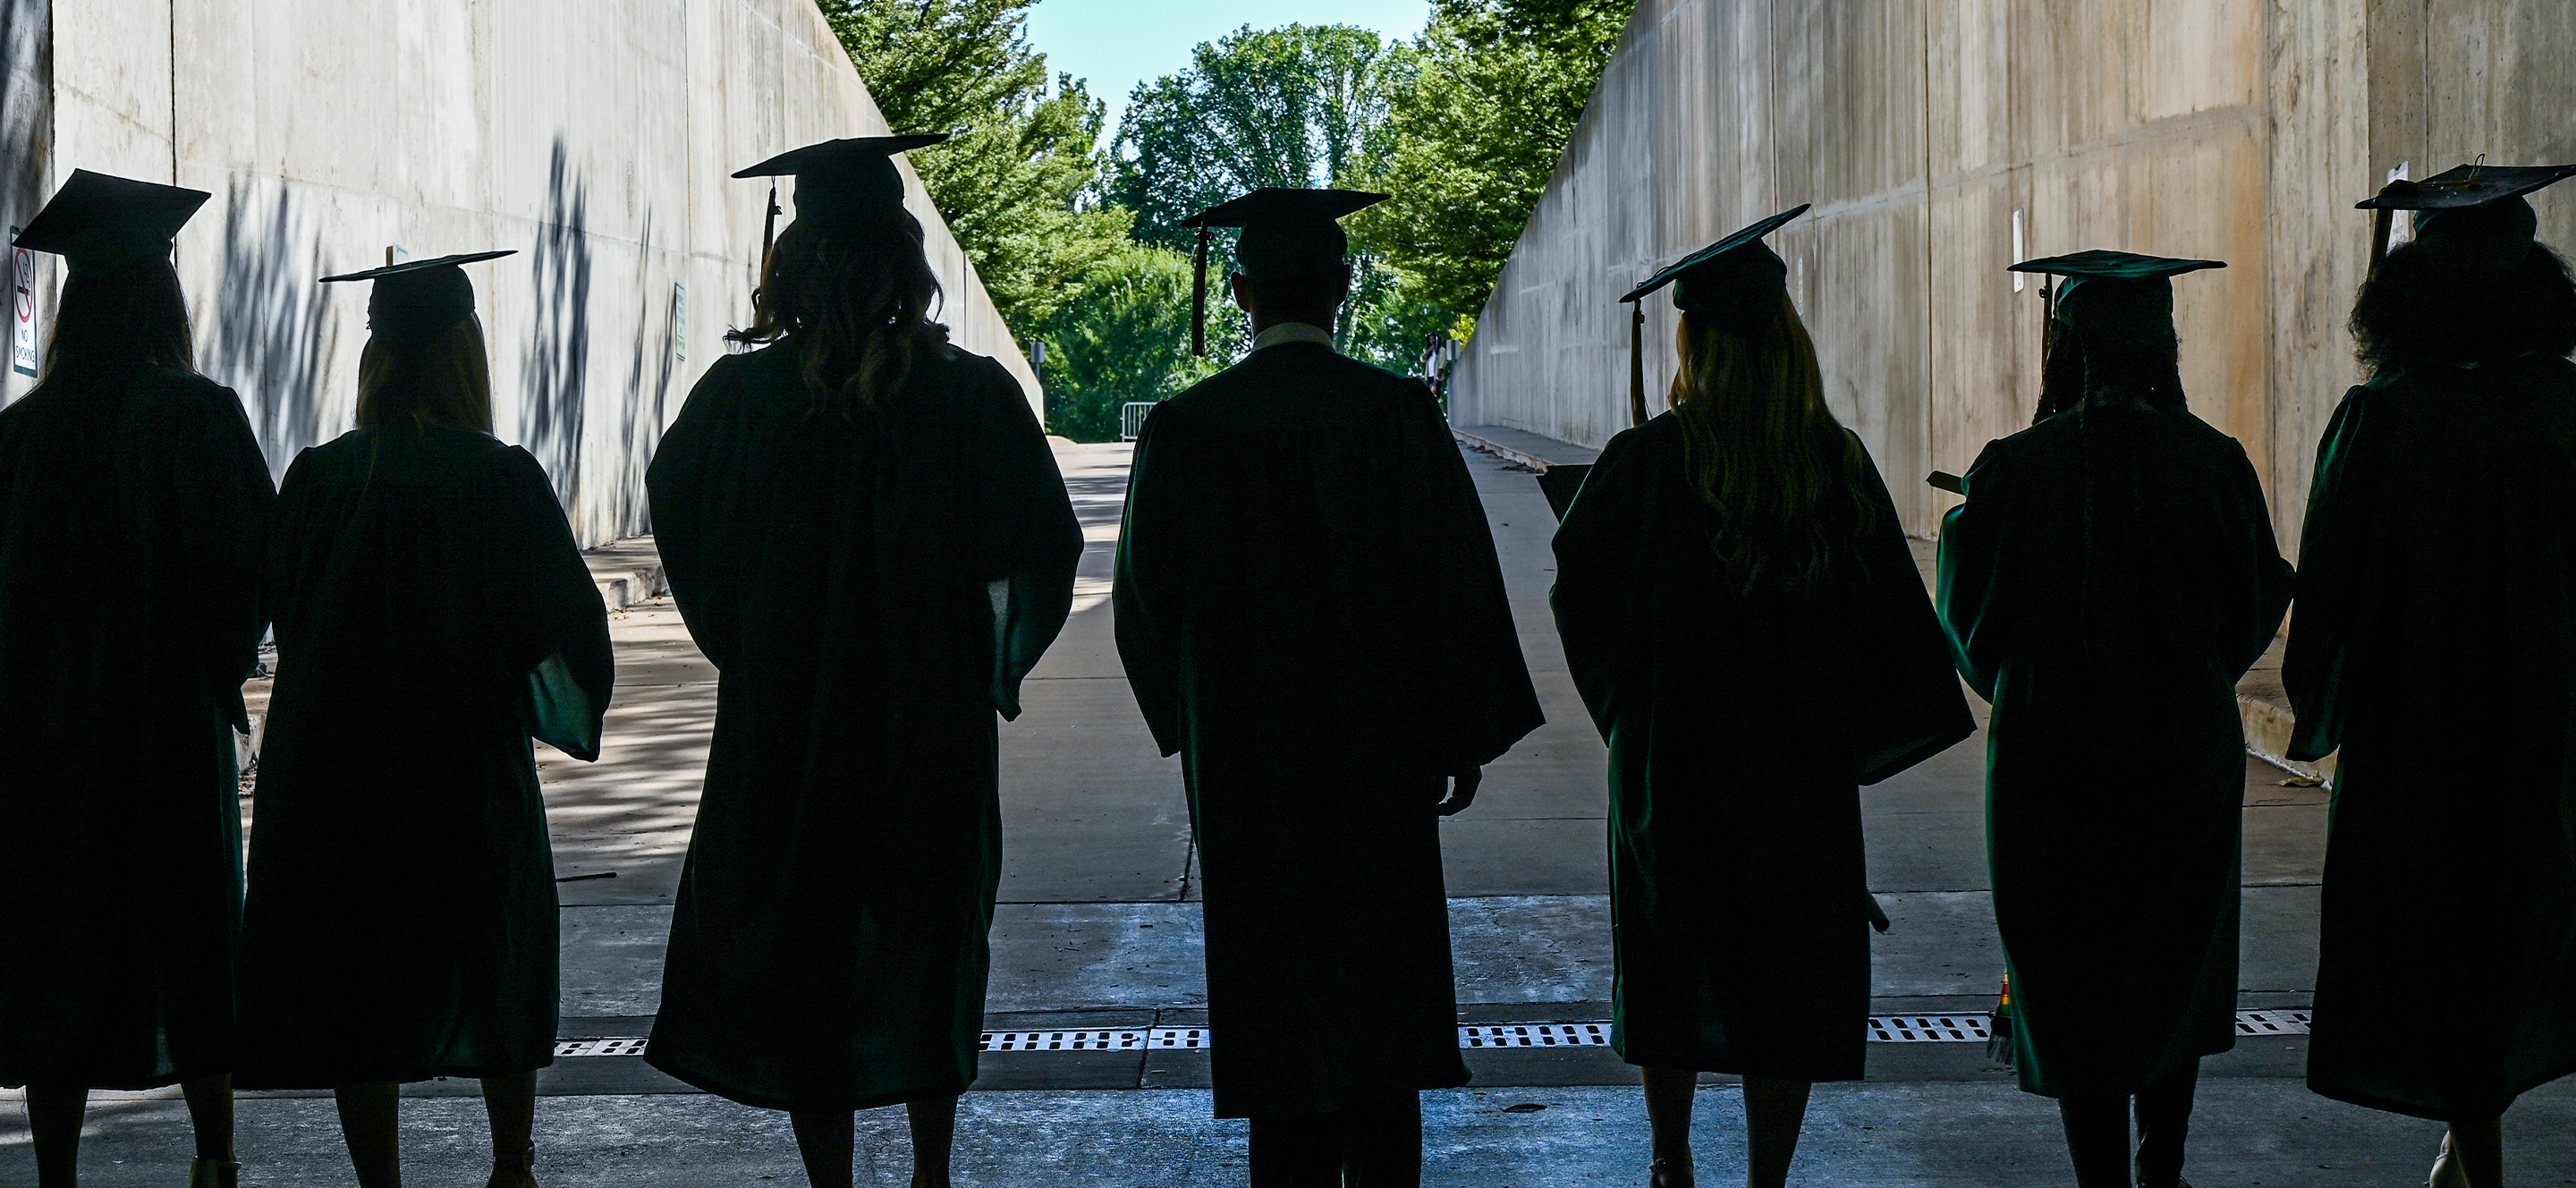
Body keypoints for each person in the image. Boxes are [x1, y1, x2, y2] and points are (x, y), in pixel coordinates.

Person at [642, 133, 1081, 1188]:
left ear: (793, 261)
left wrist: (746, 644)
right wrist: (992, 662)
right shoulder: (971, 394)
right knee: (929, 938)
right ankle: (932, 1174)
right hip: (929, 725)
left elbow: (686, 531)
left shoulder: (735, 402)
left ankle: (831, 1182)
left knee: (804, 944)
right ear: (905, 258)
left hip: (785, 723)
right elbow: (1043, 551)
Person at [1114, 186, 1545, 1187]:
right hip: (1380, 752)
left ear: (1237, 291)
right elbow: (1457, 583)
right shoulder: (1394, 414)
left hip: (1249, 760)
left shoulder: (1184, 428)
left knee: (1275, 998)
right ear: (1343, 288)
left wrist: (1196, 724)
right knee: (1382, 998)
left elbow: (1144, 604)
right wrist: (1458, 732)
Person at [1550, 204, 1974, 1188]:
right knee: (1785, 974)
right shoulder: (1833, 463)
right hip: (1797, 778)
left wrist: (1633, 717)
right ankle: (1768, 1180)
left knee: (1672, 958)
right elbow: (1896, 644)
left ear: (1690, 339)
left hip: (1674, 769)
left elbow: (1583, 600)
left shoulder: (1648, 463)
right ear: (1788, 336)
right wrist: (1840, 745)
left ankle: (1669, 1159)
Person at [233, 250, 613, 1188]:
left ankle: (381, 1181)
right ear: (465, 357)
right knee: (496, 948)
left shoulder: (319, 478)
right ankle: (512, 1164)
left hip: (334, 770)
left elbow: (261, 606)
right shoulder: (499, 477)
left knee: (359, 970)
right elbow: (565, 633)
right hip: (463, 765)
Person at [1936, 250, 2295, 1188]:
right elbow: (2255, 604)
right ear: (2163, 349)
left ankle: (2099, 1176)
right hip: (2182, 754)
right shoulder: (2213, 462)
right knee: (2170, 956)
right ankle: (2161, 1167)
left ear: (2065, 350)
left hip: (2049, 761)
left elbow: (1975, 635)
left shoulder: (2012, 469)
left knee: (2073, 965)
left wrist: (1965, 530)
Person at [2285, 162, 2576, 1188]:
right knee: (2534, 926)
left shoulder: (2385, 418)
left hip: (2421, 733)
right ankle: (2470, 1138)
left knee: (2442, 936)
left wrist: (2317, 704)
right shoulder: (2567, 412)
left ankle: (2474, 1147)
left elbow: (2326, 588)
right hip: (2553, 726)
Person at [0, 170, 272, 1188]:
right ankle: (216, 1159)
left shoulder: (18, 437)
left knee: (60, 942)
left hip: (43, 739)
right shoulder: (199, 415)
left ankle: (58, 1173)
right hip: (168, 732)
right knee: (195, 939)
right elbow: (249, 574)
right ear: (166, 296)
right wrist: (220, 665)